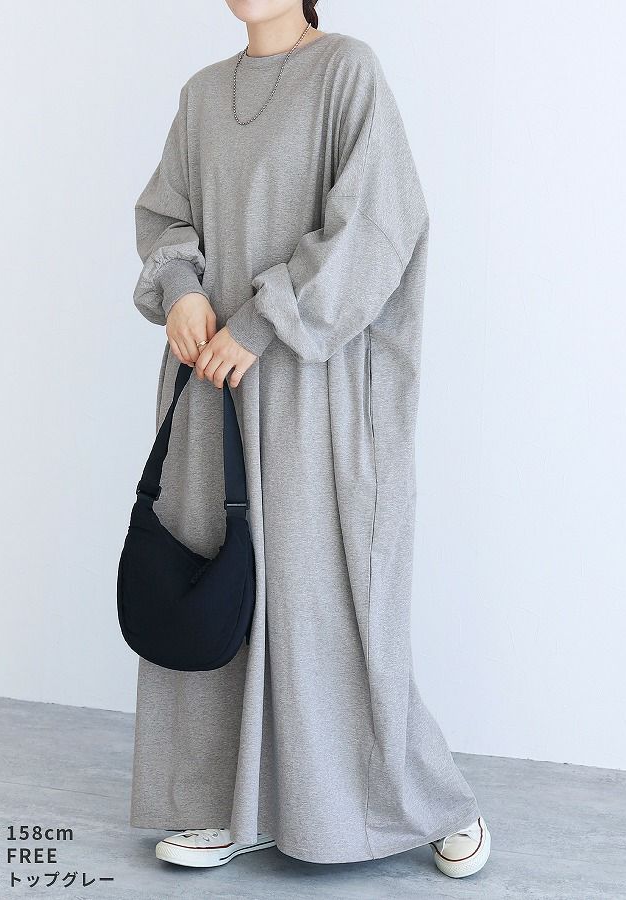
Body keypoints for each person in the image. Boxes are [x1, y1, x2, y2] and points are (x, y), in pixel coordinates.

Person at [128, 0, 491, 879]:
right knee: (219, 589)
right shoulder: (202, 94)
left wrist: (262, 323)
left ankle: (427, 800)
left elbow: (377, 226)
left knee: (326, 599)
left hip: (311, 387)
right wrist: (181, 289)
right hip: (214, 386)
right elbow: (165, 217)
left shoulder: (347, 72)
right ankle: (217, 806)